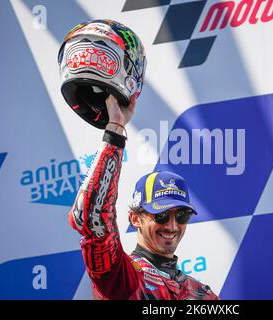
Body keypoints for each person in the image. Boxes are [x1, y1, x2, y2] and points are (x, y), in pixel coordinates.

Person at [68, 94, 219, 300]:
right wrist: (115, 130)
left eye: (182, 215)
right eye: (161, 215)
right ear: (135, 218)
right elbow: (90, 216)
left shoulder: (202, 294)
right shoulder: (124, 276)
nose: (172, 226)